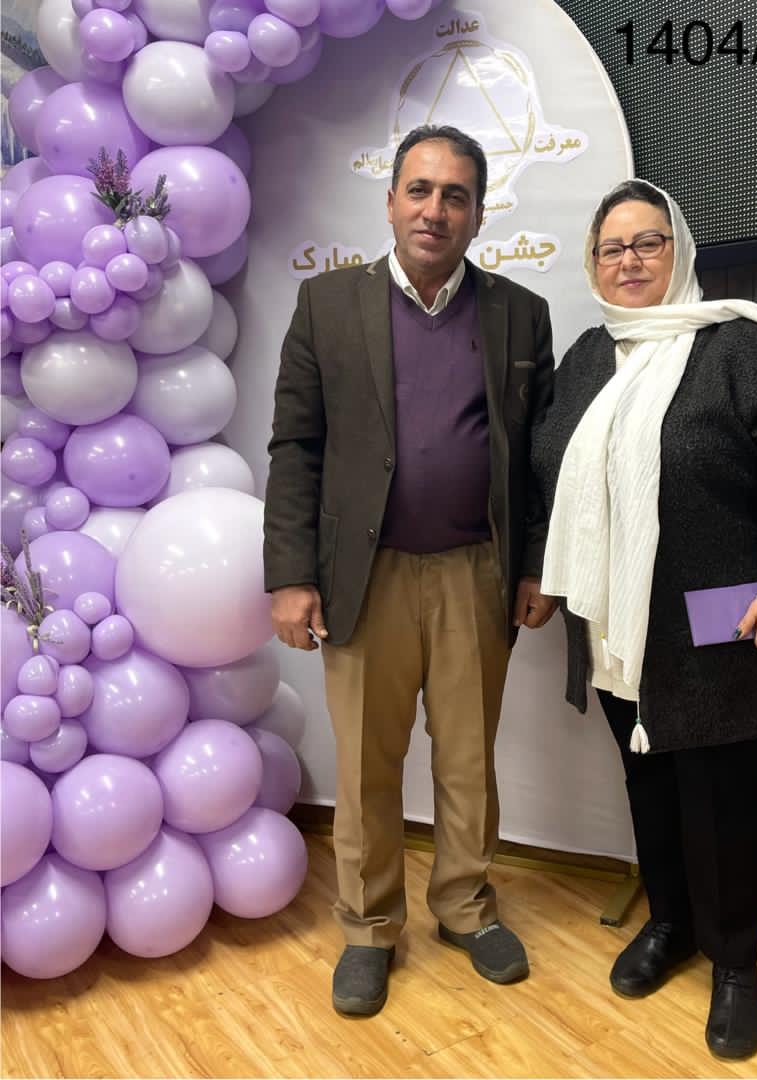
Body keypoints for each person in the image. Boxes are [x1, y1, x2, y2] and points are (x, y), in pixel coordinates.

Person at [531, 180, 757, 1059]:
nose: (629, 261)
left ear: (679, 250)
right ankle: (669, 922)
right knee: (647, 780)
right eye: (611, 248)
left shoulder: (742, 345)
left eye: (648, 242)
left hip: (717, 615)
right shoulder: (588, 357)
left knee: (719, 792)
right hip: (614, 620)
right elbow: (548, 469)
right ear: (592, 263)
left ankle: (735, 964)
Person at [264, 125, 556, 1018]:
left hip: (476, 572)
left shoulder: (520, 313)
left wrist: (535, 565)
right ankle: (368, 928)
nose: (435, 210)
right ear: (390, 200)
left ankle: (465, 908)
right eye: (420, 190)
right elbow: (296, 446)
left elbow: (536, 458)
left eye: (455, 195)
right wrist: (290, 575)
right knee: (365, 765)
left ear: (478, 213)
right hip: (364, 576)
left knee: (467, 759)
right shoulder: (326, 304)